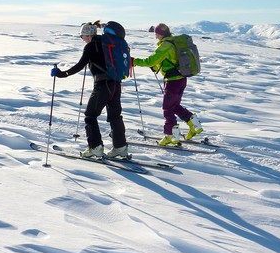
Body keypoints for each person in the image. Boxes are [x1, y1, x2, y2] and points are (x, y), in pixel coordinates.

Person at [51, 21, 128, 158]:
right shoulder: (106, 44)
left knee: (90, 115)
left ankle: (95, 147)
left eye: (82, 36)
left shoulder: (91, 46)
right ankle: (120, 147)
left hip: (102, 85)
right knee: (115, 116)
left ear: (87, 35)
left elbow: (80, 65)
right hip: (116, 84)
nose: (82, 39)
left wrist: (62, 74)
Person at [132, 23, 203, 146]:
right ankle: (195, 125)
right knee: (175, 106)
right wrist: (157, 66)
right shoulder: (173, 42)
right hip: (181, 79)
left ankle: (171, 136)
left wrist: (134, 61)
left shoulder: (165, 45)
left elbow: (150, 61)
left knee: (167, 109)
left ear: (159, 34)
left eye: (156, 34)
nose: (155, 36)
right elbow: (170, 60)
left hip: (173, 81)